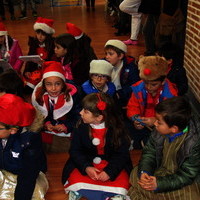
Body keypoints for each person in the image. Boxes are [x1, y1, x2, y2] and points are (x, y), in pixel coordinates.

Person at [62, 93, 132, 200]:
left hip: (111, 164)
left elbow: (122, 155)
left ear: (99, 117)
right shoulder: (80, 127)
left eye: (85, 111)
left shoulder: (118, 129)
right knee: (75, 177)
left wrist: (109, 172)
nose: (80, 113)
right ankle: (80, 191)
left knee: (122, 181)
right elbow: (75, 151)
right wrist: (86, 167)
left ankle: (115, 194)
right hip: (87, 163)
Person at [128, 96, 200, 200]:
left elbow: (187, 175)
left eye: (159, 122)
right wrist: (145, 172)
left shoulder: (194, 142)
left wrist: (159, 184)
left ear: (174, 129)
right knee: (135, 175)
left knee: (192, 196)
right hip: (159, 171)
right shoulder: (159, 130)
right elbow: (149, 153)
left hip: (180, 180)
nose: (155, 123)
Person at [0, 93, 48, 200]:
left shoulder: (29, 142)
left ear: (13, 130)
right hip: (4, 170)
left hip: (25, 175)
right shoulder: (3, 132)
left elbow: (28, 176)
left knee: (33, 194)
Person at [127, 55, 178, 149]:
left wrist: (156, 121)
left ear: (163, 82)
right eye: (145, 83)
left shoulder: (171, 94)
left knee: (161, 137)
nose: (149, 87)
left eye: (154, 85)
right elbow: (132, 106)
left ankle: (141, 143)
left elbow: (170, 117)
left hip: (159, 125)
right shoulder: (138, 88)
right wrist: (135, 118)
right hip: (143, 122)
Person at [31, 61, 81, 152]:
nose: (53, 88)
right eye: (49, 84)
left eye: (57, 84)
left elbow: (78, 117)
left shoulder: (72, 97)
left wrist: (67, 126)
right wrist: (46, 124)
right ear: (44, 85)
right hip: (46, 133)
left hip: (66, 134)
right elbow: (37, 116)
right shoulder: (40, 97)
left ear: (63, 84)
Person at [23, 17, 55, 93]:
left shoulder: (52, 44)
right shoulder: (34, 43)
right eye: (38, 33)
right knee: (26, 88)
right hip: (35, 71)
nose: (40, 36)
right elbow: (29, 58)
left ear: (47, 35)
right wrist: (27, 70)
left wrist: (45, 62)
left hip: (47, 70)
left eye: (43, 34)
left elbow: (54, 60)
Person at [104, 39, 140, 107]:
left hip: (123, 99)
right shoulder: (104, 63)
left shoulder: (131, 67)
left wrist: (119, 94)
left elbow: (134, 85)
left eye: (110, 54)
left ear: (120, 56)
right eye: (106, 54)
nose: (107, 57)